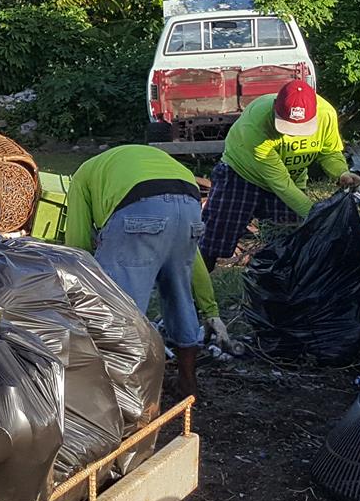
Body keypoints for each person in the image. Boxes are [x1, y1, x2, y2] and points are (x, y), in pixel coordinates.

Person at [62, 144, 233, 396]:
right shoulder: (138, 163)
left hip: (138, 207)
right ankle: (188, 382)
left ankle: (128, 393)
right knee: (179, 293)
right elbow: (191, 259)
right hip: (189, 201)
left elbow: (77, 245)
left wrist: (72, 296)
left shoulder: (82, 174)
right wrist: (211, 311)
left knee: (120, 309)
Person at [199, 79, 360, 267]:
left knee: (288, 239)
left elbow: (329, 151)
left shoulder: (326, 115)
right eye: (288, 126)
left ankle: (279, 288)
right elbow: (280, 183)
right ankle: (194, 290)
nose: (293, 134)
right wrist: (317, 215)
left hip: (291, 180)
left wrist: (341, 173)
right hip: (241, 175)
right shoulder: (256, 122)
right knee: (216, 240)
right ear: (276, 106)